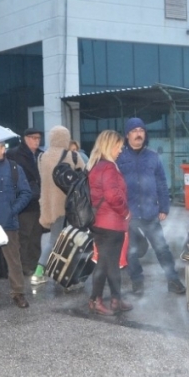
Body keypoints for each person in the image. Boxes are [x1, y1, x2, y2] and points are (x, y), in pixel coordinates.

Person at [117, 117, 186, 296]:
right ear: (127, 135)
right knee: (131, 251)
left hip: (149, 213)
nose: (138, 134)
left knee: (162, 248)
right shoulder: (119, 157)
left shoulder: (153, 156)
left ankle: (173, 280)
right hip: (129, 214)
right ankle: (137, 282)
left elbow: (162, 183)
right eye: (134, 131)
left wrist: (164, 207)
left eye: (141, 130)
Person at [0, 142, 33, 310]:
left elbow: (26, 192)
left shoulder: (14, 168)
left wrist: (12, 210)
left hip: (8, 224)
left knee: (14, 261)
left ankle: (18, 293)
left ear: (3, 149)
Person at [86, 129, 131, 316]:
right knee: (104, 263)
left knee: (111, 263)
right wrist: (125, 212)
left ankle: (116, 299)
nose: (120, 151)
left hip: (101, 221)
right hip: (111, 223)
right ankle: (95, 300)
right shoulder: (109, 167)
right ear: (109, 146)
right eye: (118, 147)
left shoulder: (96, 165)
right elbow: (112, 195)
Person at [36, 125, 86, 281]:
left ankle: (40, 272)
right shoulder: (73, 156)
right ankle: (43, 272)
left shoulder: (41, 157)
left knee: (53, 239)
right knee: (73, 240)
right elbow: (84, 177)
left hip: (49, 205)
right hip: (70, 206)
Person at [6, 128, 44, 283]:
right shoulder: (15, 154)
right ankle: (23, 265)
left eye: (38, 138)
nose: (36, 141)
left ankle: (33, 264)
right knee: (24, 235)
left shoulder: (40, 154)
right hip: (24, 201)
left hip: (39, 201)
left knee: (36, 235)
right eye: (33, 138)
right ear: (25, 138)